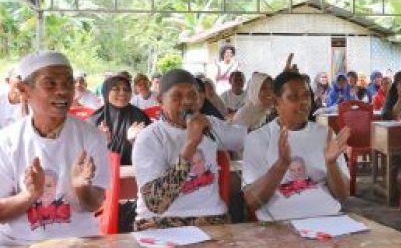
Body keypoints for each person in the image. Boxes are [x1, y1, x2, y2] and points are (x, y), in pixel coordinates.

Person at [0, 51, 109, 245]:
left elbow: (95, 204)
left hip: (77, 243)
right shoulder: (7, 141)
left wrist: (81, 187)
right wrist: (30, 195)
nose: (63, 91)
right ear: (24, 90)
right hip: (18, 245)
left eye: (68, 83)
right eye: (50, 84)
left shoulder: (92, 136)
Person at [131, 69, 246, 230]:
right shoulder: (150, 137)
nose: (187, 102)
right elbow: (156, 203)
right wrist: (191, 144)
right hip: (160, 222)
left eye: (192, 95)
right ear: (160, 100)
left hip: (211, 217)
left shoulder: (210, 125)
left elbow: (248, 139)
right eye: (177, 96)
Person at [243, 71, 350, 221]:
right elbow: (251, 201)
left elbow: (343, 195)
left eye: (306, 95)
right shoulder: (258, 138)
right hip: (281, 226)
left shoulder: (325, 134)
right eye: (293, 97)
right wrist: (280, 166)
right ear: (276, 103)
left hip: (329, 219)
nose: (304, 102)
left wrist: (331, 164)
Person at [89, 75, 151, 166]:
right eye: (116, 89)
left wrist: (134, 141)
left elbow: (150, 152)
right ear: (106, 92)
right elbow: (86, 155)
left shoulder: (140, 117)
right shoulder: (95, 120)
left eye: (126, 90)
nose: (122, 93)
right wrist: (103, 142)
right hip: (102, 170)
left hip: (133, 170)